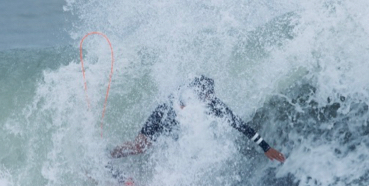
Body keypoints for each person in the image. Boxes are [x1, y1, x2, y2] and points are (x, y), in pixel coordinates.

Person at [110, 75, 286, 163]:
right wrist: (182, 109)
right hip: (162, 116)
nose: (208, 98)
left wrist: (266, 147)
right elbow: (179, 105)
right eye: (204, 95)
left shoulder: (214, 104)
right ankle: (109, 154)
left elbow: (240, 125)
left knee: (185, 157)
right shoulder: (185, 95)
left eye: (209, 95)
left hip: (177, 130)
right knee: (140, 147)